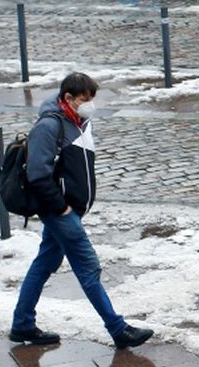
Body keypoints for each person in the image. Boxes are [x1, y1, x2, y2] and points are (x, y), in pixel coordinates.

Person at [10, 72, 153, 350]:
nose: (90, 105)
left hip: (70, 211)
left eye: (91, 99)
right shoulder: (50, 126)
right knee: (89, 268)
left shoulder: (79, 122)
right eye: (84, 100)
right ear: (68, 99)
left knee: (43, 264)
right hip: (61, 213)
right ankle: (118, 328)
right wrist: (61, 208)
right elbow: (38, 174)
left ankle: (22, 324)